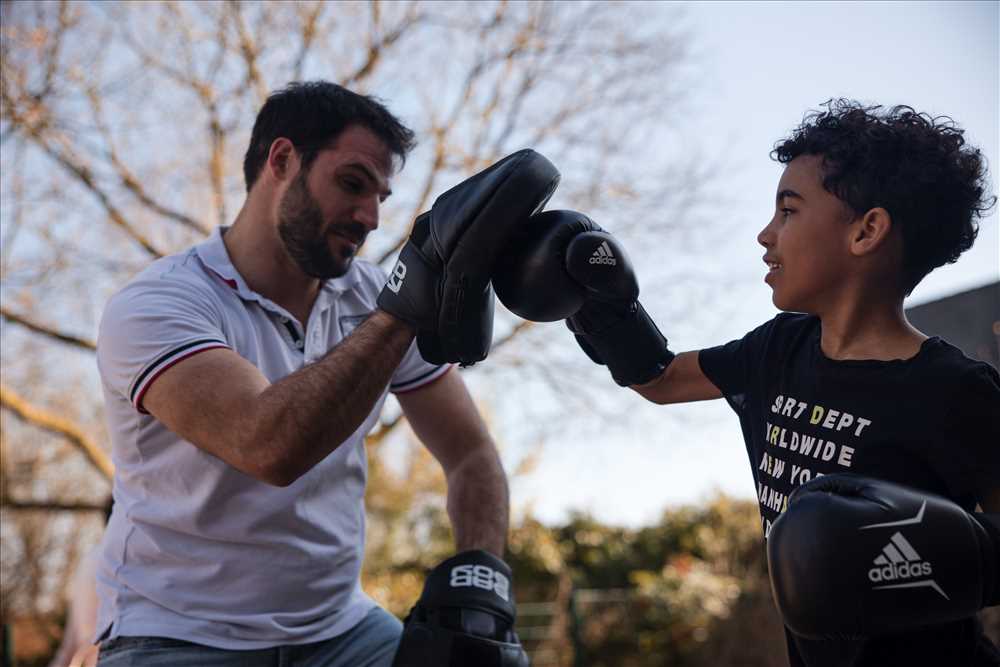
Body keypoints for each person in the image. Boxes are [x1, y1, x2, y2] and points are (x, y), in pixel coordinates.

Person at [495, 99, 1000, 666]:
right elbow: (661, 378)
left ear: (867, 231)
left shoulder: (956, 392)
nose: (765, 234)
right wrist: (589, 293)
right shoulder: (778, 349)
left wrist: (917, 558)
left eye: (788, 211)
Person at [93, 80, 545, 666]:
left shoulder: (374, 299)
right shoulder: (159, 303)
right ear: (282, 161)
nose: (371, 218)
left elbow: (470, 454)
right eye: (353, 184)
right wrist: (405, 307)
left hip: (342, 633)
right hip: (177, 636)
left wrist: (481, 578)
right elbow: (268, 446)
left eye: (381, 197)